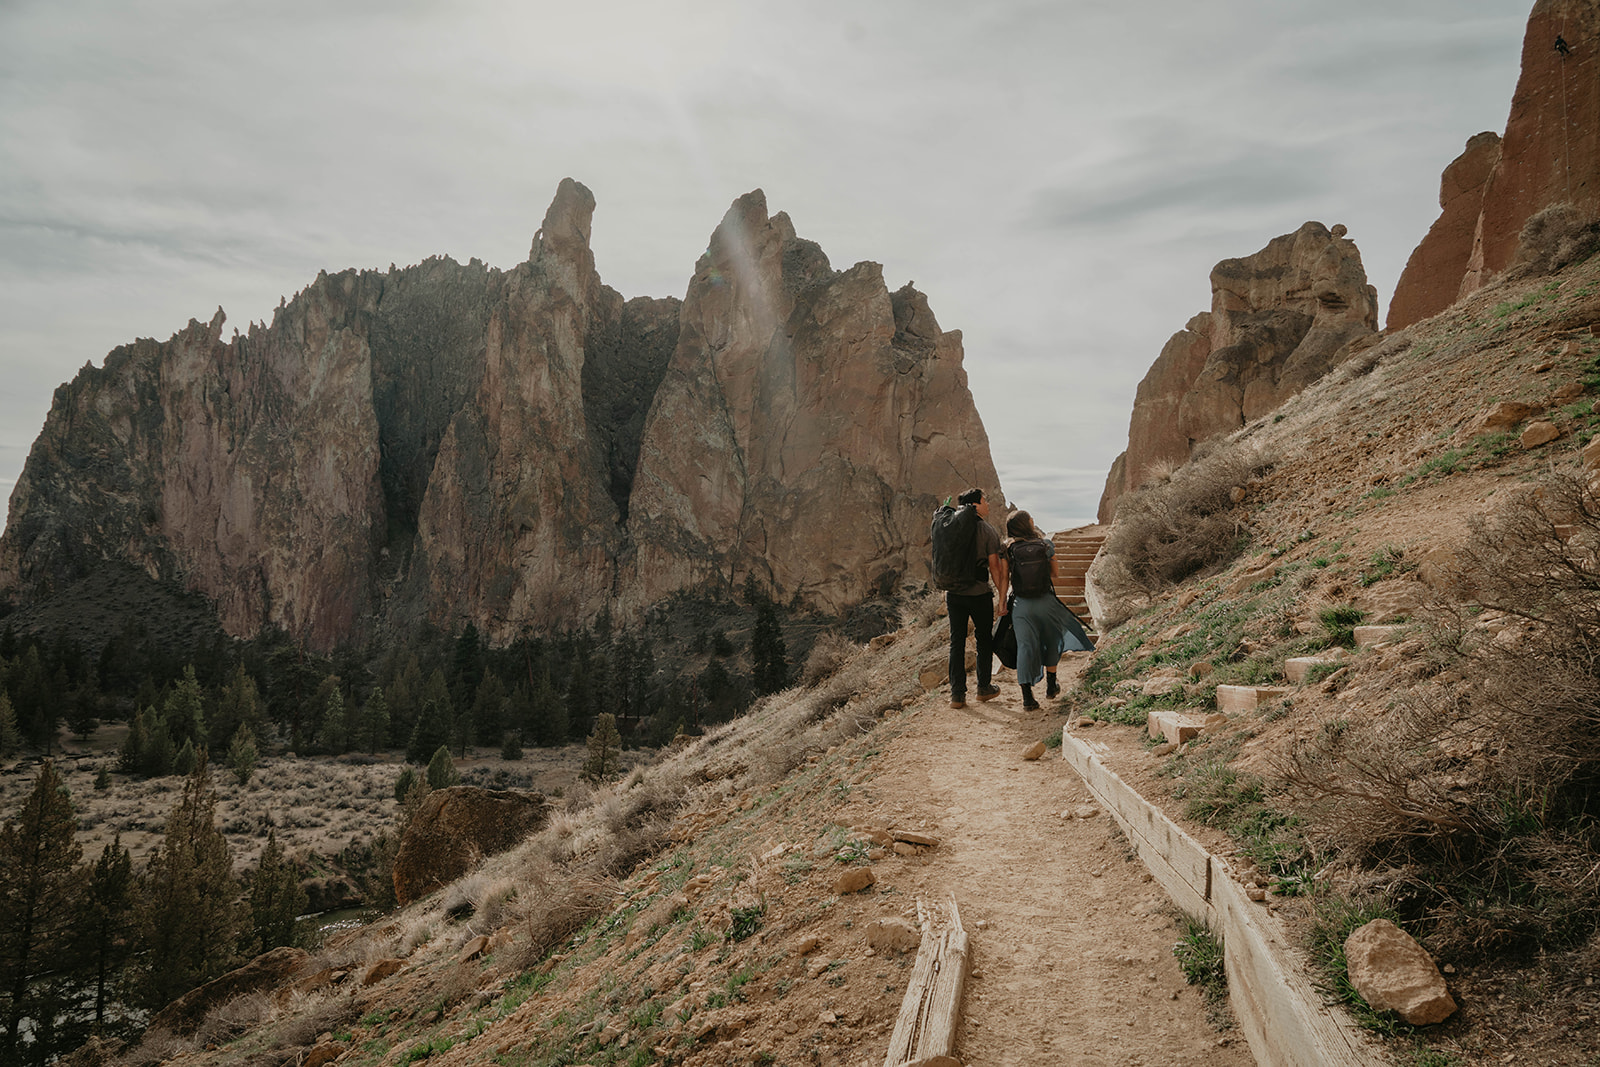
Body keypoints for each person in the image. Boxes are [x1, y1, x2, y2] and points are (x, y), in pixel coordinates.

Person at [1001, 509, 1093, 709]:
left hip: (1021, 605)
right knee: (1053, 640)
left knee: (1025, 647)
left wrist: (1001, 603)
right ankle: (1051, 685)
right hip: (1046, 601)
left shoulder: (1009, 549)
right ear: (1028, 524)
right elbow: (1055, 574)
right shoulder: (1046, 545)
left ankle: (1027, 698)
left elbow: (1004, 578)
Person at [946, 487, 1003, 709]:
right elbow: (995, 568)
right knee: (984, 639)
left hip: (953, 594)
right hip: (979, 594)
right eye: (984, 501)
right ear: (975, 506)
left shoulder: (949, 527)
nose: (988, 504)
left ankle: (957, 696)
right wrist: (1002, 596)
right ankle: (983, 688)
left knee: (956, 643)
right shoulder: (987, 530)